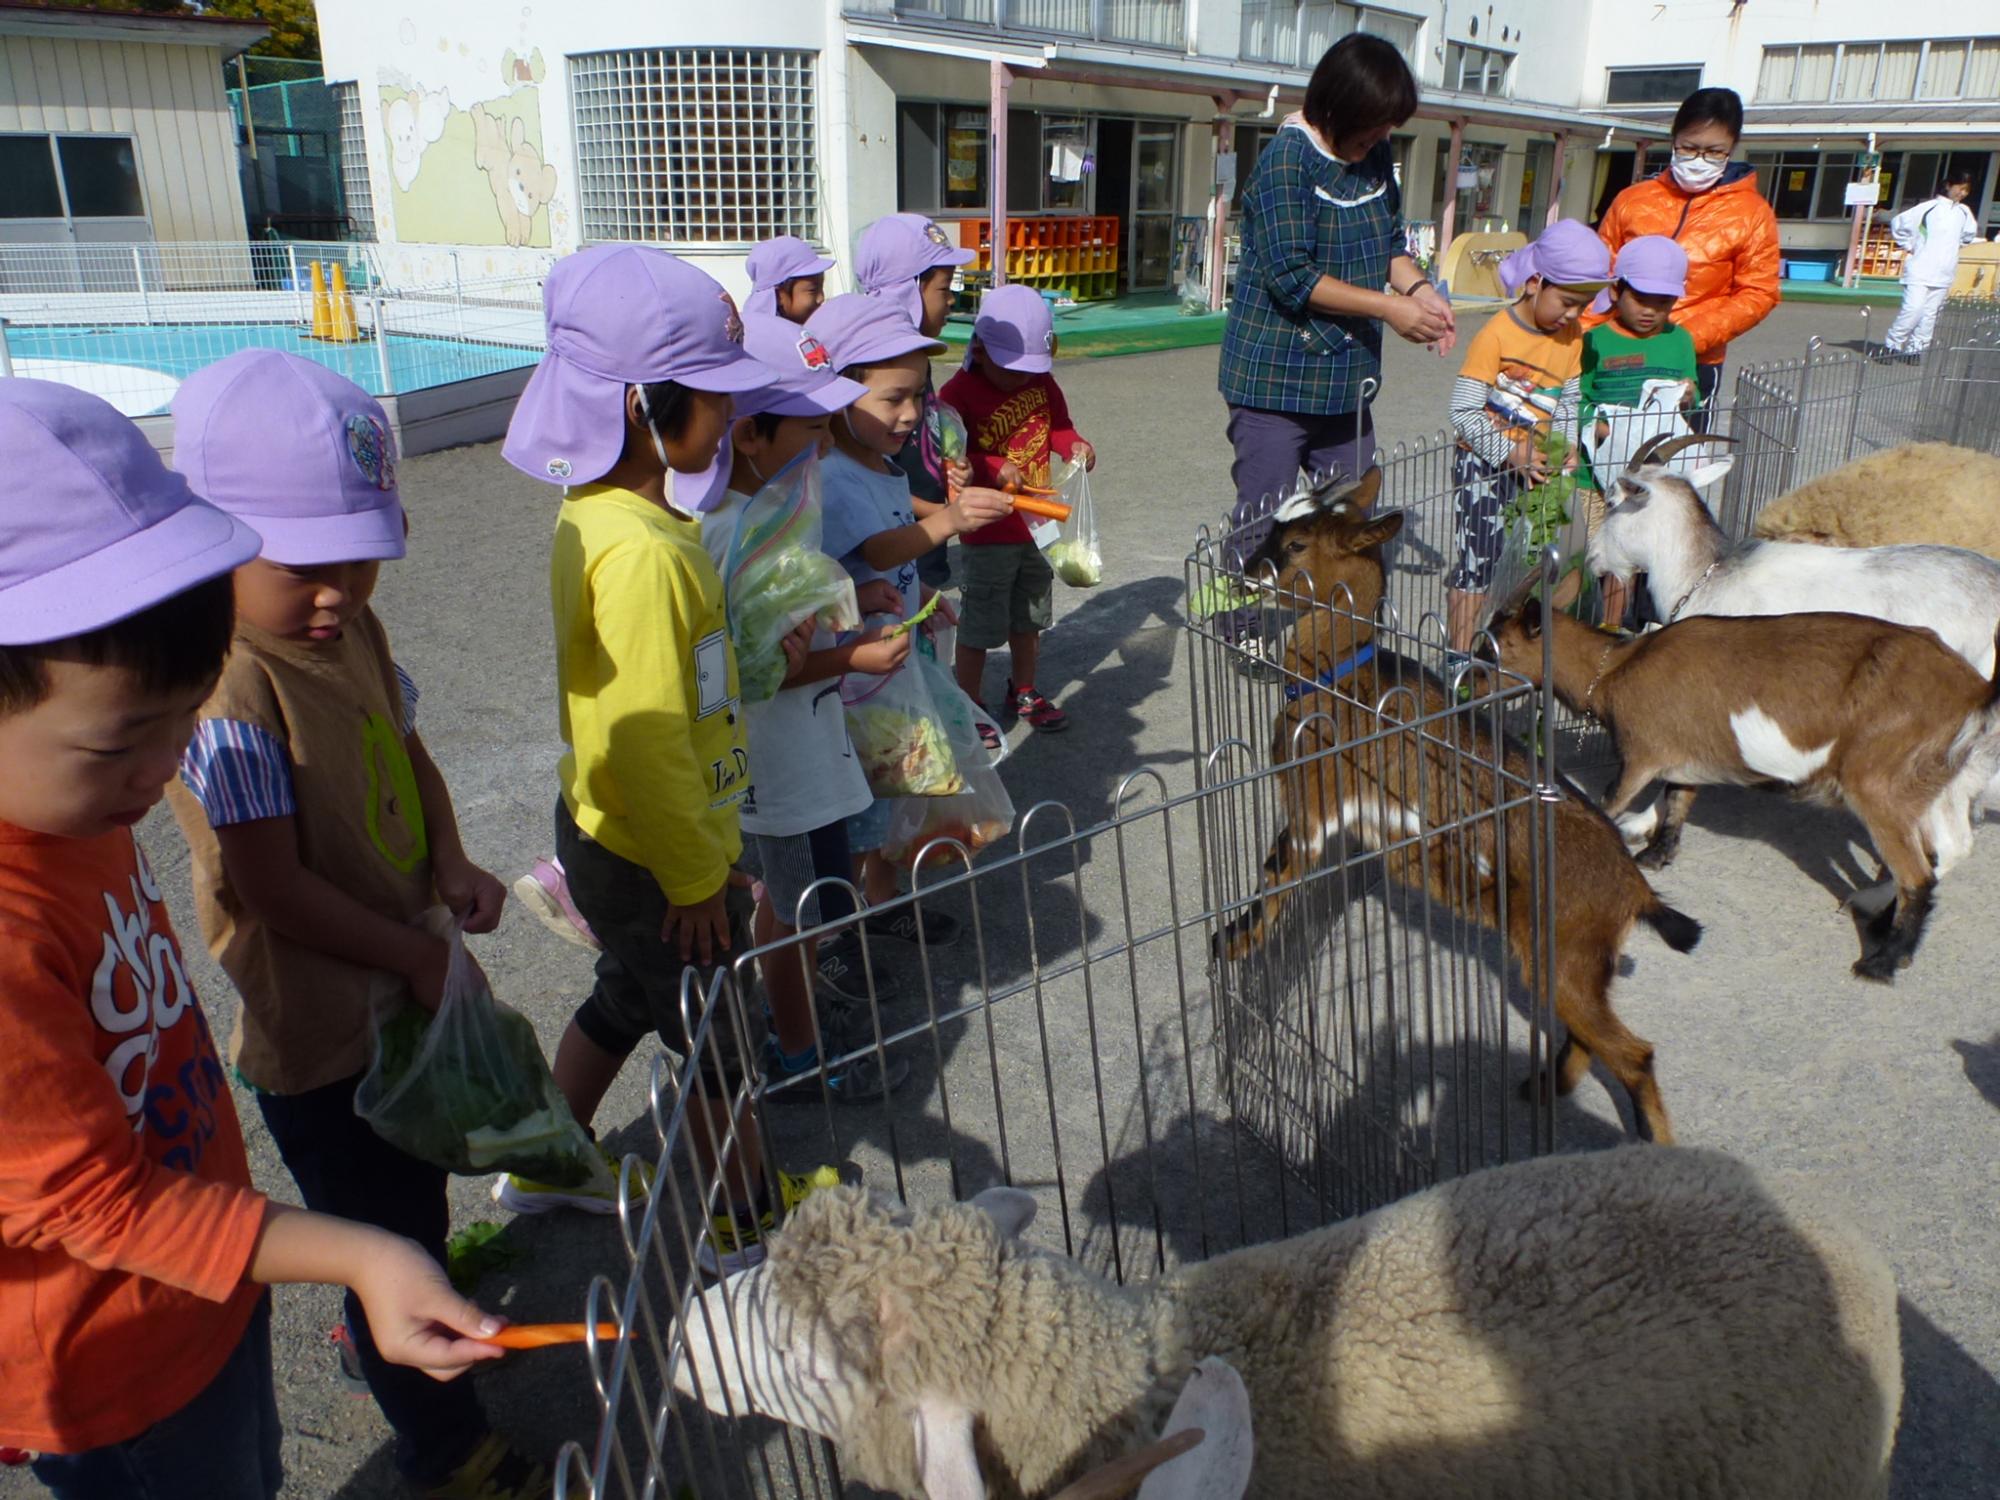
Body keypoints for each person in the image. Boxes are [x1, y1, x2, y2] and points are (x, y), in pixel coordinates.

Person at [0, 380, 512, 1500]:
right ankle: (442, 1437)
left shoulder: (69, 802)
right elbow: (90, 1203)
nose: (160, 772)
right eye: (125, 744)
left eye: (177, 726)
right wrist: (359, 1255)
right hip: (109, 1355)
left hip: (202, 1280)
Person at [161, 351, 546, 1499]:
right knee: (379, 1217)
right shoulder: (228, 693)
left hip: (399, 990)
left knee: (409, 1206)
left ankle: (378, 1304)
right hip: (324, 1035)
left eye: (359, 563)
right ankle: (448, 1446)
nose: (336, 592)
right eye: (305, 567)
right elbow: (271, 889)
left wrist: (450, 855)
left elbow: (407, 747)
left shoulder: (351, 640)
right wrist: (415, 954)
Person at [497, 244, 844, 1278]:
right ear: (650, 408)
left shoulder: (600, 515)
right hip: (660, 852)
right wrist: (697, 876)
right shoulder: (646, 552)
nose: (732, 422)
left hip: (616, 831)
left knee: (625, 991)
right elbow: (648, 736)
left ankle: (547, 1157)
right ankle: (742, 1227)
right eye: (716, 401)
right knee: (713, 1042)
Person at [698, 310, 914, 1103]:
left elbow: (784, 623)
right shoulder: (723, 533)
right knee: (785, 911)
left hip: (812, 745)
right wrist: (851, 657)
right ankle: (795, 1050)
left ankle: (801, 1016)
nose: (824, 441)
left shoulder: (777, 499)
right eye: (809, 425)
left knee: (816, 897)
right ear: (749, 434)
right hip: (775, 763)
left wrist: (852, 595)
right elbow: (748, 673)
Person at [1218, 32, 1455, 659]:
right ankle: (1243, 617)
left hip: (1344, 380)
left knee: (1350, 514)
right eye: (1373, 127)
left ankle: (1348, 621)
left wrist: (1421, 290)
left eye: (1387, 129)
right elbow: (1292, 278)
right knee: (1264, 512)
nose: (1381, 140)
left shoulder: (1373, 161)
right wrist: (1390, 308)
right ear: (1338, 109)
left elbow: (1390, 246)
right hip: (1273, 377)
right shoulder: (1285, 164)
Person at [806, 293, 1013, 927]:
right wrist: (947, 522)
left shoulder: (879, 462)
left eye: (918, 396)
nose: (910, 413)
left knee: (896, 788)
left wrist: (921, 594)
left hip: (893, 652)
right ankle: (853, 918)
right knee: (871, 793)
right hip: (859, 670)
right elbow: (873, 547)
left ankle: (883, 895)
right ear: (837, 397)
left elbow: (883, 556)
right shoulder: (839, 473)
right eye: (892, 398)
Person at [1443, 220, 1607, 656]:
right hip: (1484, 464)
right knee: (1480, 563)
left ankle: (1503, 653)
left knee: (1526, 564)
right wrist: (1508, 451)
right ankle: (1458, 658)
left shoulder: (1571, 336)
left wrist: (1568, 442)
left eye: (1584, 305)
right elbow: (1463, 411)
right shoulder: (1495, 334)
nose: (1574, 315)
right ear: (1535, 283)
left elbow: (1569, 398)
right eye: (1569, 302)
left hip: (1536, 466)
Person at [939, 284, 1095, 739]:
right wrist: (991, 464)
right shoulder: (958, 392)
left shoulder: (1041, 384)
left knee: (1030, 614)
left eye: (1030, 369)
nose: (1021, 379)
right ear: (981, 351)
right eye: (1012, 370)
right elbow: (952, 454)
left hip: (1037, 524)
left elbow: (1060, 428)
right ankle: (968, 701)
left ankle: (1023, 688)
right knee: (980, 620)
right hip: (987, 530)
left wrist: (1076, 448)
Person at [1592, 86, 1779, 412]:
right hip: (1617, 347)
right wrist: (1587, 336)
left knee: (1677, 453)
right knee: (1602, 445)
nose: (1699, 160)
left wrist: (1683, 340)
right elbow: (1599, 272)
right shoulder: (1633, 200)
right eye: (1689, 148)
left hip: (1693, 357)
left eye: (1714, 152)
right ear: (1673, 140)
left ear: (1732, 147)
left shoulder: (1753, 213)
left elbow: (1758, 292)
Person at [853, 213, 978, 596]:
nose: (952, 298)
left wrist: (956, 470)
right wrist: (941, 515)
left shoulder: (912, 363)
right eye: (944, 288)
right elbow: (866, 480)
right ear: (908, 291)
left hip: (925, 547)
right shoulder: (876, 371)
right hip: (893, 554)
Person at [1580, 235, 1699, 627]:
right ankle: (1600, 626)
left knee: (1649, 549)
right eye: (1641, 299)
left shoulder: (1679, 340)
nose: (1651, 311)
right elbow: (1577, 397)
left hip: (1654, 472)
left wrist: (1687, 397)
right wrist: (1592, 424)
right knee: (1609, 550)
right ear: (1617, 291)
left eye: (1663, 304)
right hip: (1602, 468)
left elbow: (1691, 399)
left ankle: (1633, 626)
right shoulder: (1594, 340)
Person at [1885, 168, 1980, 358]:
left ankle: (1916, 349)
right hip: (1920, 270)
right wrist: (1910, 245)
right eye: (1960, 188)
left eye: (1966, 190)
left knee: (1930, 315)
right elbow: (1899, 224)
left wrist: (1952, 248)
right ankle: (1892, 344)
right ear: (1948, 185)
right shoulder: (1928, 208)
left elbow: (1968, 235)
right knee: (1913, 309)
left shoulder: (1964, 212)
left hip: (1944, 272)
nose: (1962, 193)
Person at [745, 234, 835, 324]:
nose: (821, 298)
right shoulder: (765, 336)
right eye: (812, 290)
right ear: (779, 296)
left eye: (821, 288)